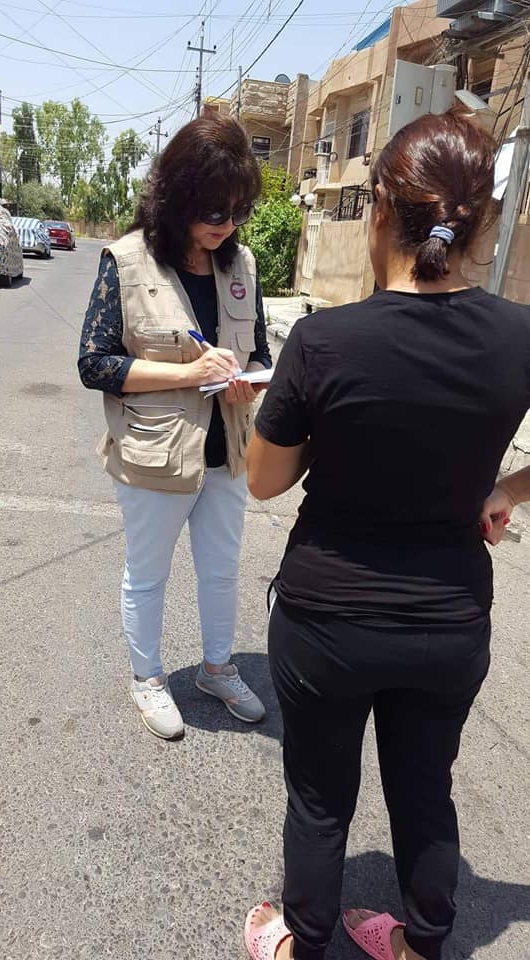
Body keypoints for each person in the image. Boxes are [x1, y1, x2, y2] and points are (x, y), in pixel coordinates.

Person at [242, 112, 530, 960]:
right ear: (481, 223)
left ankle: (303, 944)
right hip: (448, 621)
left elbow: (264, 479)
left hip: (327, 620)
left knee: (319, 800)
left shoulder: (324, 341)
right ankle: (420, 944)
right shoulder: (520, 336)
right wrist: (504, 489)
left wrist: (302, 420)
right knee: (425, 789)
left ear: (378, 210)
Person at [78, 112, 271, 740]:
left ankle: (217, 669)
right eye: (213, 210)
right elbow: (95, 363)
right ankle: (148, 679)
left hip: (226, 451)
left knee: (221, 569)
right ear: (178, 194)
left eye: (238, 211)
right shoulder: (128, 261)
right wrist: (188, 373)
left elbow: (260, 353)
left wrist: (250, 379)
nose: (226, 224)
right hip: (153, 453)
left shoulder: (241, 266)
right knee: (148, 573)